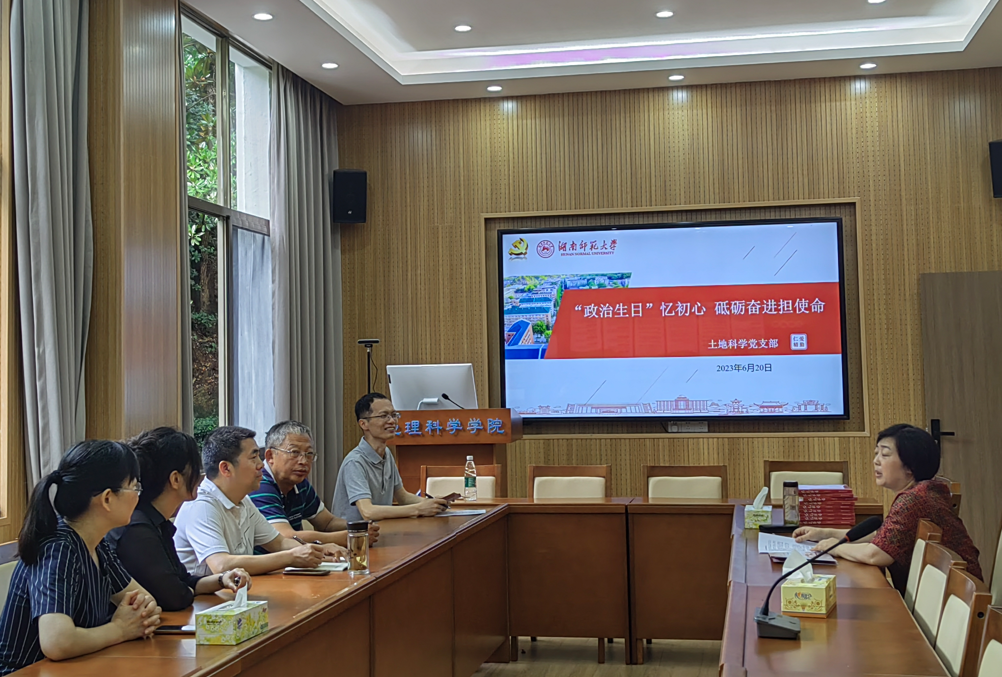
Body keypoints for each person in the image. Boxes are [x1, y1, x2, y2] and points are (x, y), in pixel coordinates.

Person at [0, 441, 161, 674]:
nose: (138, 496)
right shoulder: (58, 548)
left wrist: (140, 616)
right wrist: (120, 629)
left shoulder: (96, 542)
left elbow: (145, 601)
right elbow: (57, 642)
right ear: (107, 498)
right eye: (134, 488)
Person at [794, 424, 982, 593]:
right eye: (876, 453)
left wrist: (835, 548)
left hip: (959, 596)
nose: (876, 461)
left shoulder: (915, 500)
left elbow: (876, 554)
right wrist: (825, 533)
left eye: (885, 455)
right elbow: (884, 537)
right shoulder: (923, 492)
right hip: (951, 593)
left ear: (910, 466)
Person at [107, 427, 251, 611]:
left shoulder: (157, 522)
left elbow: (185, 581)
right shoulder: (137, 529)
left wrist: (223, 579)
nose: (201, 477)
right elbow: (175, 597)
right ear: (175, 479)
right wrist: (187, 589)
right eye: (196, 469)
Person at [173, 426, 346, 577]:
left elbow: (280, 543)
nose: (261, 465)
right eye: (253, 458)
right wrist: (291, 557)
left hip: (234, 595)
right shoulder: (201, 506)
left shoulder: (244, 501)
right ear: (226, 468)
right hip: (202, 601)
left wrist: (318, 550)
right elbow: (221, 565)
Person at [249, 421, 379, 551]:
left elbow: (327, 523)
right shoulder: (259, 485)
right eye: (294, 452)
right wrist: (347, 537)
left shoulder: (300, 483)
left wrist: (359, 528)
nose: (303, 461)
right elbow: (285, 537)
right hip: (267, 562)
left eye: (309, 454)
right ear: (270, 456)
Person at [332, 393, 448, 521]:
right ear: (364, 424)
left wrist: (431, 503)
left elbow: (402, 497)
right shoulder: (355, 462)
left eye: (394, 415)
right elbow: (368, 512)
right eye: (383, 416)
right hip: (354, 532)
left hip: (381, 528)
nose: (392, 421)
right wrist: (419, 509)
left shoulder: (386, 453)